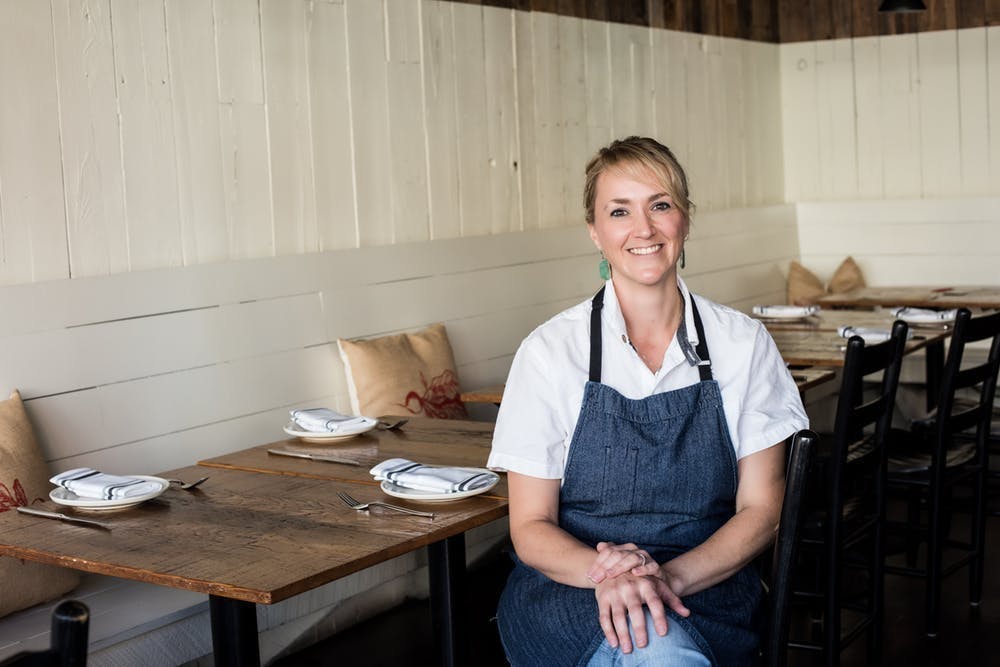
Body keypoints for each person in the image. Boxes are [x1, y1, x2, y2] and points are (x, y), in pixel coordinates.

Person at [487, 136, 809, 666]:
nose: (643, 228)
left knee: (656, 647)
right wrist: (611, 575)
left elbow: (764, 511)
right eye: (619, 211)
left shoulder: (743, 345)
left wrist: (663, 579)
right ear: (595, 231)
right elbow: (530, 527)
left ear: (685, 219)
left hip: (707, 586)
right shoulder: (549, 352)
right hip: (570, 590)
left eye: (660, 205)